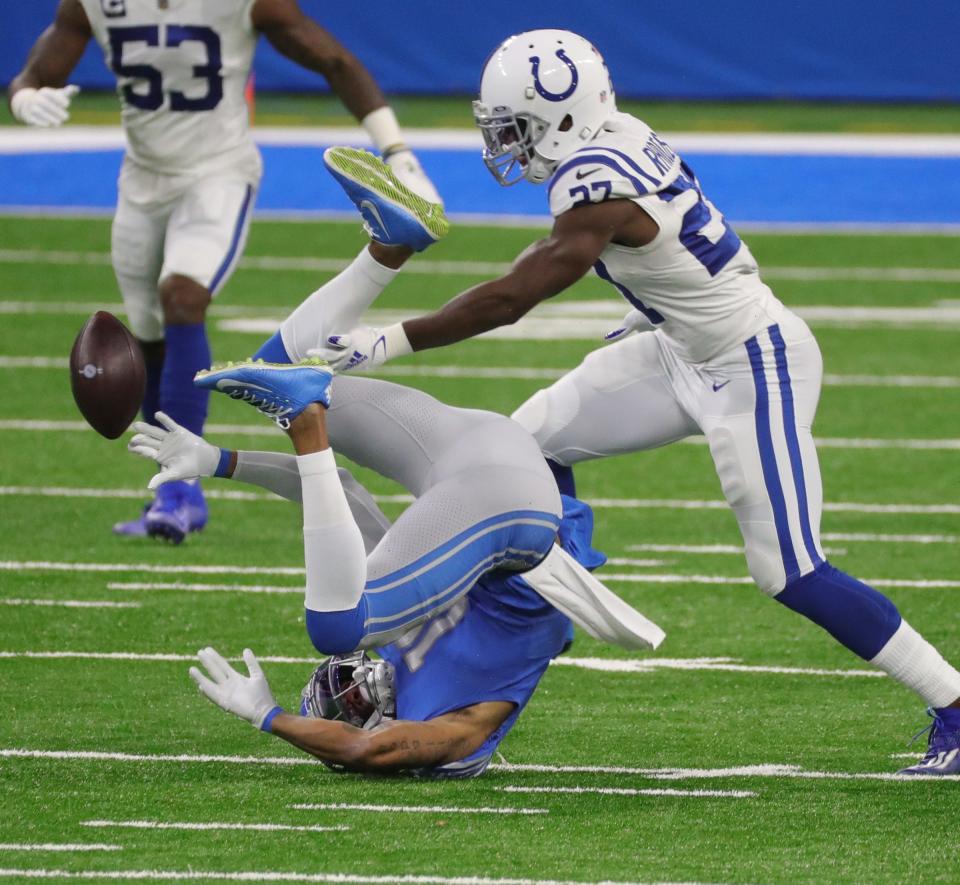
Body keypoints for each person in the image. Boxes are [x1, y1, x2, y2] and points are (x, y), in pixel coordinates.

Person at [301, 30, 960, 776]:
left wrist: (389, 340)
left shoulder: (593, 181)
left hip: (752, 364)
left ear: (562, 116)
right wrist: (657, 303)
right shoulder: (621, 137)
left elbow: (518, 295)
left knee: (790, 569)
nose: (506, 144)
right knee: (522, 453)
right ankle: (545, 594)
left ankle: (955, 703)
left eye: (514, 126)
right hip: (680, 346)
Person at [8, 0, 442, 543]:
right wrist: (24, 94)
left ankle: (182, 496)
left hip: (219, 173)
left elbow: (335, 61)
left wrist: (399, 153)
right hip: (141, 182)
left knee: (182, 297)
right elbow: (39, 72)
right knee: (146, 335)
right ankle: (173, 490)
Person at [128, 348, 662, 778]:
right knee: (339, 626)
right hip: (509, 492)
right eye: (349, 703)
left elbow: (336, 488)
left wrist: (216, 461)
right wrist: (271, 718)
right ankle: (311, 411)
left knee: (277, 361)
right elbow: (366, 753)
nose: (354, 686)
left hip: (489, 463)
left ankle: (318, 388)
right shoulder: (465, 730)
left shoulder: (397, 626)